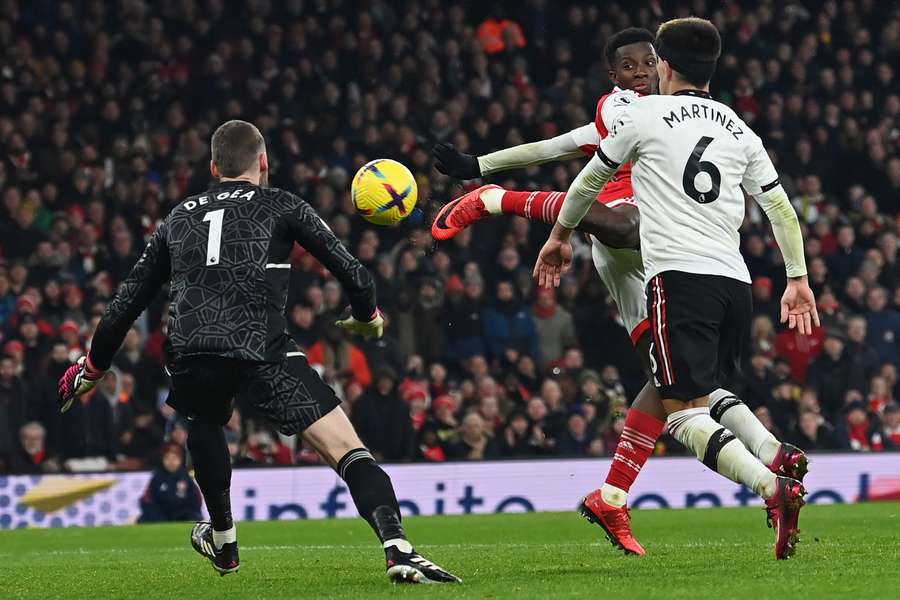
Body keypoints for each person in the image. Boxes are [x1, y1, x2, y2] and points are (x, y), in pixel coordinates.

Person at [432, 27, 804, 556]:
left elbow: (552, 145)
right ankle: (496, 202)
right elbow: (582, 167)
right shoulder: (625, 107)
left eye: (649, 63)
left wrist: (478, 163)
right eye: (630, 66)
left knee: (670, 380)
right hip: (630, 231)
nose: (641, 73)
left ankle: (613, 495)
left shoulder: (661, 115)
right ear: (614, 76)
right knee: (672, 362)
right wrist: (497, 189)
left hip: (658, 265)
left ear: (664, 65)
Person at [57, 120, 459, 584]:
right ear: (263, 161)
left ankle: (224, 542)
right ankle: (398, 548)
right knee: (349, 452)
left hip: (191, 347)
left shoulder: (178, 216)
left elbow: (124, 304)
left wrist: (92, 368)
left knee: (204, 421)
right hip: (261, 345)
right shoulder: (282, 203)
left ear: (213, 166)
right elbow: (355, 274)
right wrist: (368, 318)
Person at [533, 18, 818, 559]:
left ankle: (772, 487)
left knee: (681, 409)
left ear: (663, 66)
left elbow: (587, 181)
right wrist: (797, 279)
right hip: (736, 286)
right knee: (697, 391)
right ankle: (771, 453)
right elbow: (779, 206)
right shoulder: (740, 128)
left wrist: (559, 236)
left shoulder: (641, 116)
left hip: (678, 281)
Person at [138, 442, 203, 523]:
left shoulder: (186, 477)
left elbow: (196, 501)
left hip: (182, 516)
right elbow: (146, 501)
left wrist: (191, 513)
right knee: (143, 520)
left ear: (180, 460)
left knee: (195, 518)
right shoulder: (157, 477)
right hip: (160, 516)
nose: (171, 462)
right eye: (167, 458)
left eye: (174, 458)